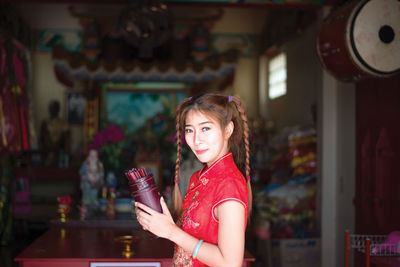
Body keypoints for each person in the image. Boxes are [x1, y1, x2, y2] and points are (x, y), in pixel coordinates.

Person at [135, 93, 252, 266]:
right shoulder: (199, 177)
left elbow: (230, 263)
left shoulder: (229, 184)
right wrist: (158, 223)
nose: (196, 140)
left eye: (205, 128)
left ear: (228, 129)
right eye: (190, 130)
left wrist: (171, 231)